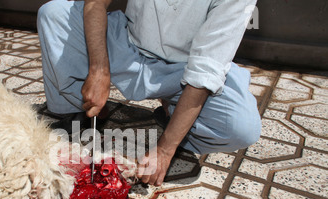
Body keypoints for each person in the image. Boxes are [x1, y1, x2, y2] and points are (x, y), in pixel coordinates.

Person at [37, 0, 261, 186]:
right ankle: (80, 110)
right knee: (53, 14)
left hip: (184, 69)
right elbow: (95, 2)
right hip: (129, 44)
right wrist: (99, 69)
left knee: (241, 127)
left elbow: (205, 73)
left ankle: (174, 114)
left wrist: (164, 150)